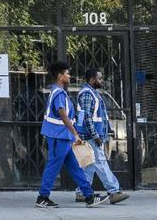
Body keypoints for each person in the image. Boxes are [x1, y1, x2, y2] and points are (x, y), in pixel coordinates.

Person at [36, 60, 107, 208]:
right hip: (58, 136)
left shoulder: (60, 92)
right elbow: (63, 115)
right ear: (60, 76)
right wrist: (76, 134)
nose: (69, 76)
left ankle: (89, 196)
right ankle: (42, 197)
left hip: (63, 136)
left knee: (75, 166)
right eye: (67, 74)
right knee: (53, 166)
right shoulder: (58, 93)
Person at [73, 68, 130, 204]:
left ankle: (82, 192)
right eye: (99, 78)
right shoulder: (87, 94)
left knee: (89, 165)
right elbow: (86, 116)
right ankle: (113, 191)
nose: (102, 80)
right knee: (101, 163)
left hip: (93, 135)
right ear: (92, 79)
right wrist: (95, 135)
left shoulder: (92, 93)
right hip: (92, 137)